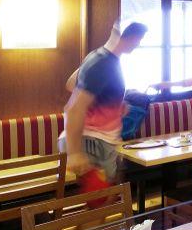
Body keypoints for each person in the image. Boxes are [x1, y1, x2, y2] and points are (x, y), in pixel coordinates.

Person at [60, 22, 148, 180]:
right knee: (103, 200)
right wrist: (74, 153)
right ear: (131, 37)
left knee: (109, 198)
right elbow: (73, 108)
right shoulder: (103, 63)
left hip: (98, 142)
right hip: (93, 143)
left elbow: (71, 84)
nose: (138, 44)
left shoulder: (98, 57)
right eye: (139, 39)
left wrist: (113, 105)